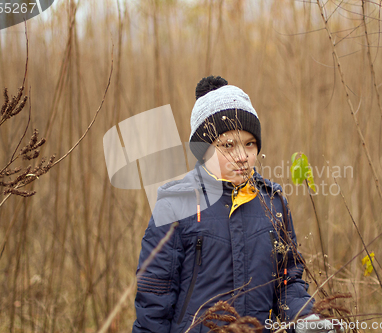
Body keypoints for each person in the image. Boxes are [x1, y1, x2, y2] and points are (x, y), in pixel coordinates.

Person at [132, 76, 337, 333]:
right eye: (228, 145)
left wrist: (306, 318)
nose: (242, 156)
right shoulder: (176, 202)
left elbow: (288, 282)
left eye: (249, 144)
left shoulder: (273, 202)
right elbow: (154, 297)